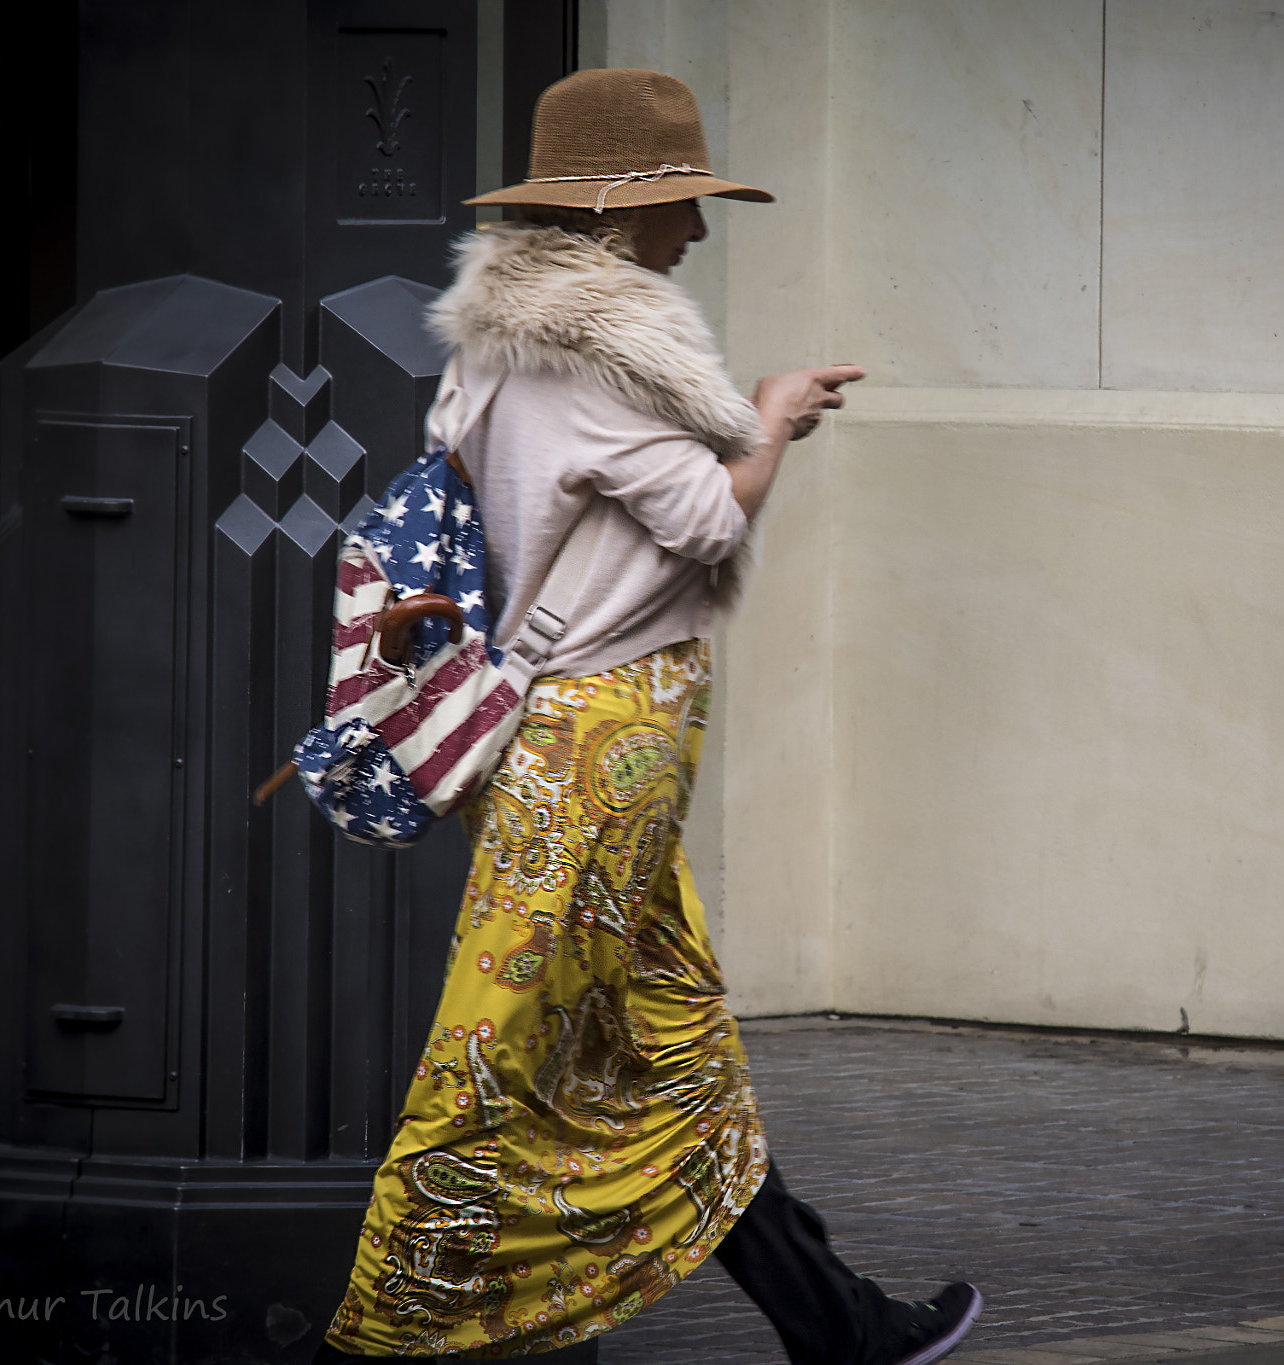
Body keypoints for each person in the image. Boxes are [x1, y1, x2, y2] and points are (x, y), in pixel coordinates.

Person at [314, 69, 981, 1364]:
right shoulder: (604, 358)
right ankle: (380, 1334)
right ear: (619, 212)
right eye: (685, 200)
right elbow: (707, 518)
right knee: (491, 1050)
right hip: (598, 745)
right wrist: (773, 416)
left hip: (584, 742)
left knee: (669, 1042)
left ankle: (840, 1325)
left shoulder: (498, 348)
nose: (701, 229)